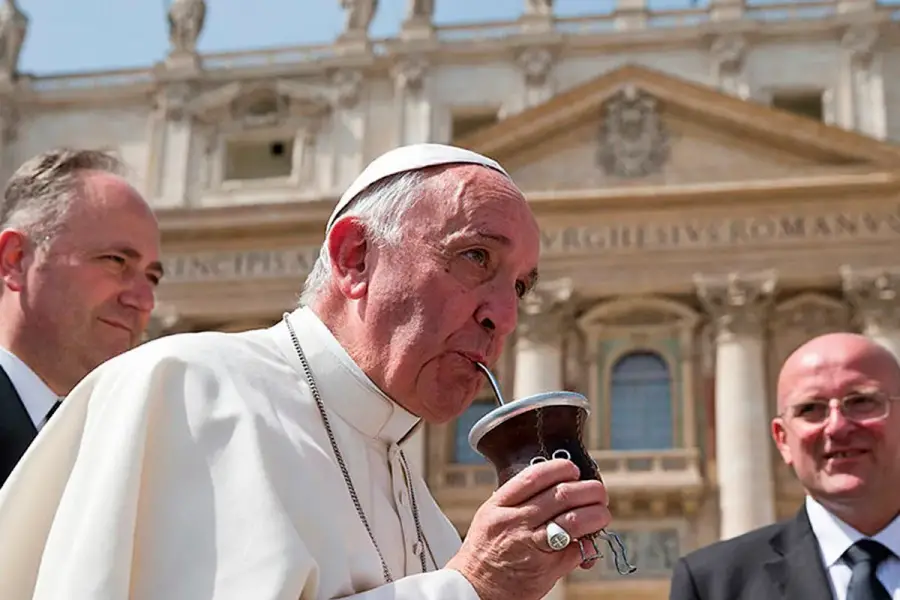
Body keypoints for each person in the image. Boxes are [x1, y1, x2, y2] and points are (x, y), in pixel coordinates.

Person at [0, 144, 613, 600]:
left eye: (521, 287)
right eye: (476, 257)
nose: (504, 316)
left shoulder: (425, 513)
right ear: (355, 258)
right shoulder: (185, 390)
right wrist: (471, 587)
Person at [668, 332, 900, 600]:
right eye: (810, 409)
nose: (837, 427)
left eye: (861, 402)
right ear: (783, 440)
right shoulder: (713, 585)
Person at [0, 148, 163, 488]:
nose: (143, 301)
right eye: (116, 261)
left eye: (152, 277)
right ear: (15, 260)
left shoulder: (132, 451)